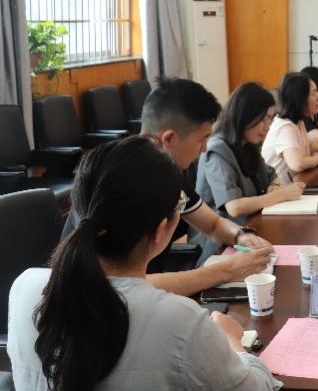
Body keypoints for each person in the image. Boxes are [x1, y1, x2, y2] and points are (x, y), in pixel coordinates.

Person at [8, 136, 281, 390]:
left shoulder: (23, 286)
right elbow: (258, 386)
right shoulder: (177, 320)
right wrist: (232, 340)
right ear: (162, 230)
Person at [61, 77, 273, 297]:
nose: (204, 149)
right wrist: (226, 270)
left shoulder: (166, 172)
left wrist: (240, 236)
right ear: (169, 139)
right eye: (202, 139)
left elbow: (213, 225)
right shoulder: (119, 178)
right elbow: (120, 285)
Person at [195, 82, 306, 258]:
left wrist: (276, 186)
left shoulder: (247, 144)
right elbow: (235, 207)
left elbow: (272, 175)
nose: (267, 126)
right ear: (245, 114)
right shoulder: (216, 150)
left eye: (270, 118)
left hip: (250, 230)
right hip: (219, 245)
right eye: (263, 119)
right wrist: (281, 194)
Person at [262, 72, 318, 177]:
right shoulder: (285, 126)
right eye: (314, 93)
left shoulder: (298, 121)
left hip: (292, 183)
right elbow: (297, 163)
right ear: (300, 98)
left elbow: (298, 150)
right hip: (279, 185)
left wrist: (317, 147)